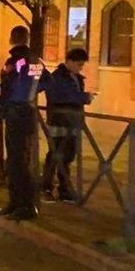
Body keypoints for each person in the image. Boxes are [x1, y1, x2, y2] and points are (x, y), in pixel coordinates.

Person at [0, 26, 45, 220]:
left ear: (12, 38)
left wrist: (3, 103)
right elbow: (45, 81)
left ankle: (22, 205)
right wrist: (30, 93)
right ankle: (17, 203)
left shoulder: (18, 60)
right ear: (27, 38)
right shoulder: (35, 60)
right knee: (20, 160)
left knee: (17, 161)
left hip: (16, 112)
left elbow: (11, 83)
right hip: (27, 110)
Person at [40, 47, 92, 203]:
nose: (80, 68)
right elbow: (59, 97)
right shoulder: (57, 77)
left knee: (68, 156)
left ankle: (64, 189)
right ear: (70, 61)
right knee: (55, 155)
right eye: (79, 64)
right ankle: (47, 187)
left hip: (73, 122)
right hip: (59, 121)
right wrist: (83, 97)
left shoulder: (76, 78)